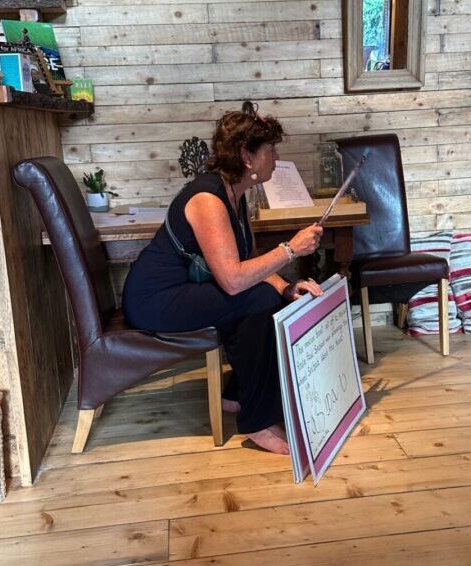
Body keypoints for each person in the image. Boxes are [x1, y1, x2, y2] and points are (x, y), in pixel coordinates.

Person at [122, 101, 324, 455]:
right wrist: (291, 249)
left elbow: (247, 263)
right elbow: (233, 280)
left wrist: (286, 286)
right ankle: (257, 421)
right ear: (248, 157)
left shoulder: (234, 194)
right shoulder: (207, 198)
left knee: (268, 297)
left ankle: (236, 395)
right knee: (255, 299)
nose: (276, 158)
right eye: (270, 150)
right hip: (153, 299)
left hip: (182, 290)